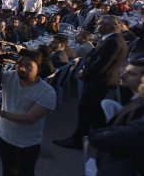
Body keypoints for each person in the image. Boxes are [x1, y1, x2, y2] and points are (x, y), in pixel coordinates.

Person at [54, 15, 129, 149]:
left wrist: (85, 73)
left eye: (99, 24)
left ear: (109, 27)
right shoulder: (112, 39)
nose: (96, 26)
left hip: (99, 81)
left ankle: (77, 140)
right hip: (100, 80)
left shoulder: (113, 42)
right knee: (96, 111)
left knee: (86, 110)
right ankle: (97, 136)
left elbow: (102, 65)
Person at [0, 49, 56, 176]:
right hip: (3, 135)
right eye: (20, 64)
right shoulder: (10, 76)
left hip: (26, 144)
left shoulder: (47, 92)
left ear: (38, 68)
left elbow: (29, 118)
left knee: (24, 172)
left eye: (28, 66)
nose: (22, 68)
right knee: (7, 170)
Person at [89, 46, 144, 175]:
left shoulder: (140, 109)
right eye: (126, 70)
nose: (123, 74)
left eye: (131, 73)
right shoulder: (135, 99)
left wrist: (101, 134)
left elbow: (124, 139)